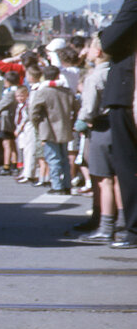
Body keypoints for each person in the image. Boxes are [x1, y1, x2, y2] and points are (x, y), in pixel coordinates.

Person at [99, 0, 137, 249]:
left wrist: (104, 34)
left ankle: (134, 229)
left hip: (127, 89)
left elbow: (110, 40)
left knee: (127, 164)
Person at [74, 36, 121, 242]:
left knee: (103, 180)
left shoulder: (95, 77)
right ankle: (122, 223)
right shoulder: (118, 71)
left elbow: (89, 110)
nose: (86, 52)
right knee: (118, 178)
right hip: (119, 125)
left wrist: (81, 121)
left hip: (100, 127)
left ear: (99, 52)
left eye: (90, 48)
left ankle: (105, 225)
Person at [31, 65, 77, 195]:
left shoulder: (43, 92)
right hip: (65, 128)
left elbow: (33, 112)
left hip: (48, 129)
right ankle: (67, 184)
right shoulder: (67, 91)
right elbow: (77, 108)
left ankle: (57, 186)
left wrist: (38, 125)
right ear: (58, 76)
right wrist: (72, 123)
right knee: (65, 159)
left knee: (53, 159)